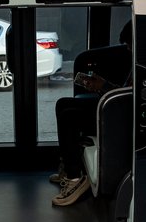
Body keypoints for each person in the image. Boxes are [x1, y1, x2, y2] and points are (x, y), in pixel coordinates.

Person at [51, 22, 132, 206]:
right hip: (118, 108)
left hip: (121, 117)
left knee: (69, 117)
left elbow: (128, 101)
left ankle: (74, 177)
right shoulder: (136, 60)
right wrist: (103, 86)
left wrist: (103, 87)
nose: (128, 50)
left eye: (130, 45)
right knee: (63, 104)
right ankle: (69, 164)